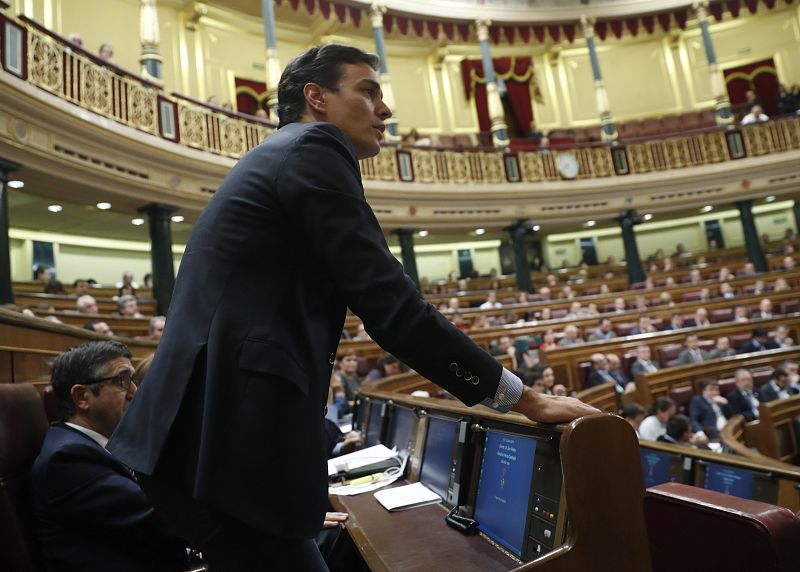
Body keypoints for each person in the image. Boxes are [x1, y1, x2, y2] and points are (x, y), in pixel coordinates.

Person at [107, 44, 596, 569]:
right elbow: (392, 307)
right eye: (368, 91)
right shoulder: (312, 148)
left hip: (214, 442)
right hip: (227, 443)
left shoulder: (282, 154)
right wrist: (524, 401)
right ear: (316, 98)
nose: (384, 110)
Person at [32, 341, 189, 572]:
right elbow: (164, 519)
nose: (135, 391)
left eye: (133, 380)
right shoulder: (67, 459)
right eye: (122, 380)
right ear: (82, 396)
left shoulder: (99, 444)